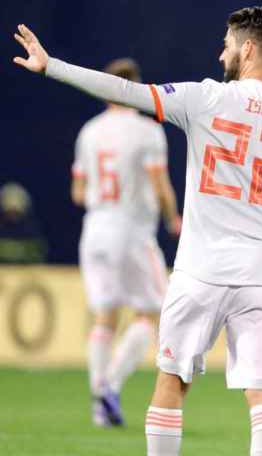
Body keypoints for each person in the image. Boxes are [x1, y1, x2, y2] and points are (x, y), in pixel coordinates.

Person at [12, 8, 262, 456]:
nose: (220, 51)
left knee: (172, 382)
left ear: (247, 49)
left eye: (227, 42)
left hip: (199, 271)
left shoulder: (205, 98)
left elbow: (126, 92)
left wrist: (52, 66)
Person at [71, 57, 182, 427]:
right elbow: (159, 183)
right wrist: (173, 217)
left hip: (94, 229)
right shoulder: (146, 131)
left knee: (104, 316)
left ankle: (97, 402)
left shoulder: (89, 130)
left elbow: (78, 191)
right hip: (131, 229)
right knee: (153, 312)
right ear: (134, 87)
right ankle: (110, 386)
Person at [0, 182, 48, 263]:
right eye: (9, 211)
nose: (12, 214)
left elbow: (38, 255)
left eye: (16, 212)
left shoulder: (32, 230)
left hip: (27, 273)